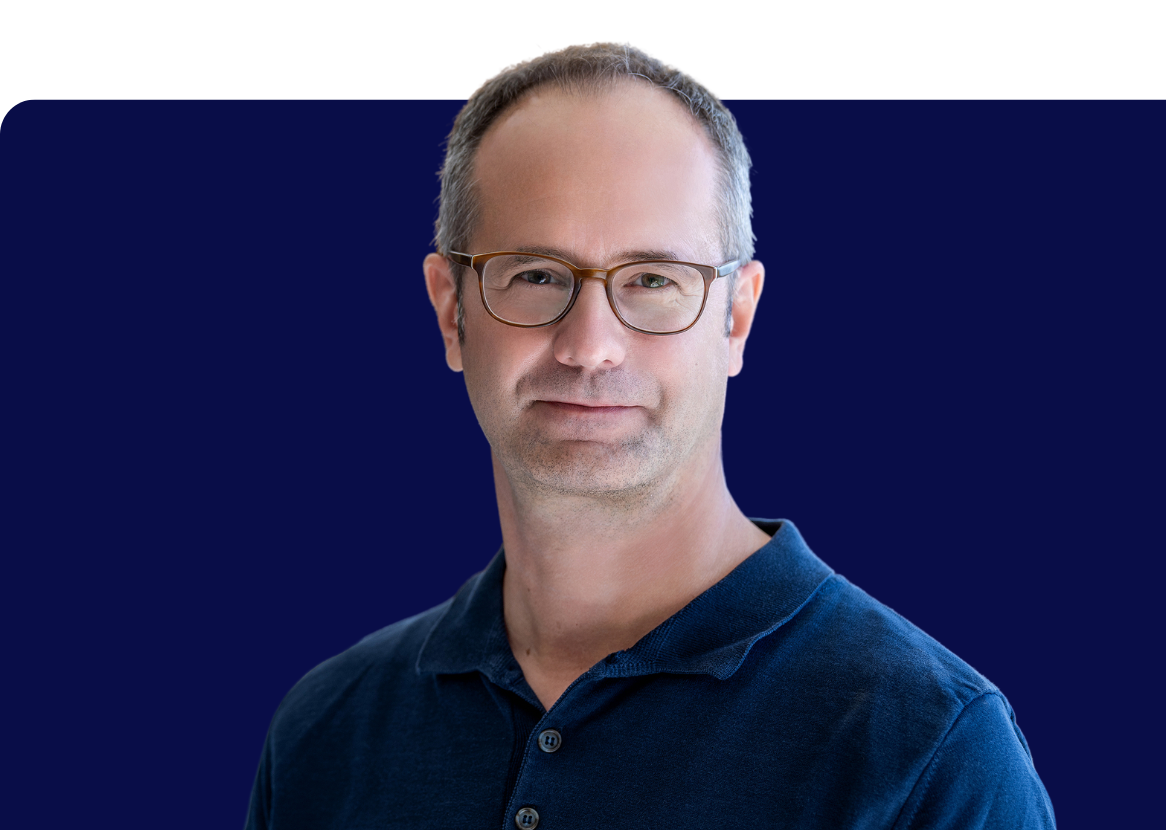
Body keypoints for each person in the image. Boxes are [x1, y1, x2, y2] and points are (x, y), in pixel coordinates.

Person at [245, 43, 1056, 829]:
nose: (590, 344)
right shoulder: (325, 733)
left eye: (654, 280)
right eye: (535, 275)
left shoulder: (927, 752)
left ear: (736, 318)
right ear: (451, 310)